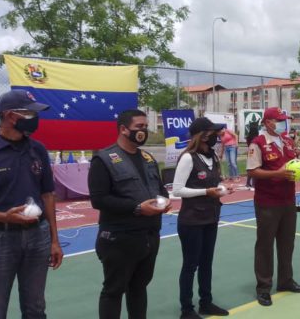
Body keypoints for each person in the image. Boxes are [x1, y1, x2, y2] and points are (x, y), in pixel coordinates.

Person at [0, 89, 63, 319]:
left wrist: (54, 240)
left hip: (38, 236)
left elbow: (47, 195)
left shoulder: (37, 149)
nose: (35, 118)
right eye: (30, 113)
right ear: (10, 116)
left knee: (35, 308)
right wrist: (4, 217)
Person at [88, 109, 172, 319]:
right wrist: (136, 208)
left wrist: (164, 200)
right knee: (114, 290)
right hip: (119, 238)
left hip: (149, 235)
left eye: (145, 127)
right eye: (139, 127)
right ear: (124, 129)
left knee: (139, 287)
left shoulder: (148, 158)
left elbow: (160, 189)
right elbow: (99, 199)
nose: (143, 131)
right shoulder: (104, 159)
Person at [246, 107, 300, 306]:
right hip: (267, 202)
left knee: (287, 243)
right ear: (267, 122)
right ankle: (263, 287)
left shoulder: (287, 141)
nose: (283, 123)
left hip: (288, 200)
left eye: (284, 120)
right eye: (279, 120)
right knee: (265, 245)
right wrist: (277, 174)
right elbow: (253, 171)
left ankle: (285, 281)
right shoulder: (258, 143)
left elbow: (293, 164)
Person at [172, 118, 230, 318]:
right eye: (212, 132)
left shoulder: (212, 156)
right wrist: (207, 192)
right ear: (202, 135)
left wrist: (222, 189)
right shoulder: (188, 158)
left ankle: (206, 302)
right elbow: (177, 190)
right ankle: (186, 309)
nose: (216, 136)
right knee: (191, 265)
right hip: (192, 221)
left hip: (211, 218)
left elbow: (213, 186)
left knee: (207, 263)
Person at [244, 122, 260, 191]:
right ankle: (253, 184)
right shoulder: (257, 138)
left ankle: (248, 183)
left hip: (250, 152)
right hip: (255, 152)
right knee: (255, 168)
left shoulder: (248, 137)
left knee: (250, 168)